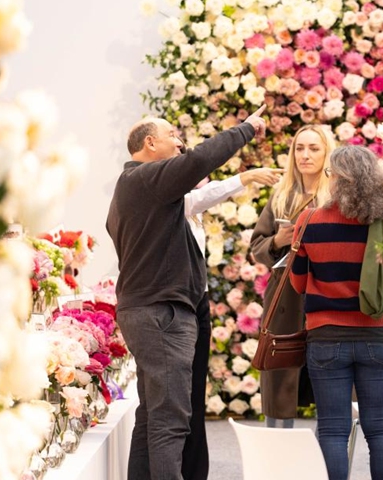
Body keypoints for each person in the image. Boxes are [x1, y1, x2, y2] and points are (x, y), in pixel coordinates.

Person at [106, 108, 266, 480]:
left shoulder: (137, 190)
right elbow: (199, 161)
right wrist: (244, 130)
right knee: (170, 423)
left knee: (151, 419)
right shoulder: (147, 180)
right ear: (150, 143)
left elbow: (198, 193)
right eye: (173, 135)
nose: (181, 142)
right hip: (163, 316)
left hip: (147, 312)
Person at [289, 145, 383, 480]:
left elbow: (297, 284)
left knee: (333, 431)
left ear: (336, 180)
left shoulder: (310, 221)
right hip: (379, 337)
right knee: (381, 428)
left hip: (327, 339)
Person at [181, 167, 282, 480]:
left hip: (198, 301)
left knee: (195, 396)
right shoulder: (168, 195)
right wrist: (246, 177)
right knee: (183, 402)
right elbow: (202, 197)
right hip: (179, 305)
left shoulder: (186, 203)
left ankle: (195, 471)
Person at [250, 125, 335, 428]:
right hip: (285, 297)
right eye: (300, 148)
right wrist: (278, 240)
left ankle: (327, 461)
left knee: (330, 384)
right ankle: (277, 454)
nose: (305, 155)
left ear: (327, 152)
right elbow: (257, 248)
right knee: (280, 378)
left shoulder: (338, 196)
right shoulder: (282, 197)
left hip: (326, 295)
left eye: (313, 148)